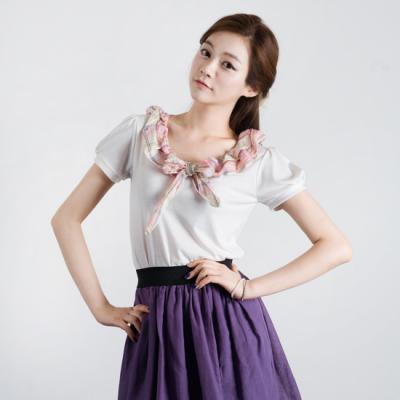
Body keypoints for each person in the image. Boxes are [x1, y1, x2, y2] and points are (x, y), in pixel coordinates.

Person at [51, 13, 352, 400]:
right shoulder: (141, 134)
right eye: (206, 52)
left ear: (251, 86)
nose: (207, 68)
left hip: (224, 323)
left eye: (228, 64)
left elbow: (335, 246)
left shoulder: (255, 161)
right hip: (156, 321)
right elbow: (66, 219)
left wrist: (247, 287)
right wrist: (100, 307)